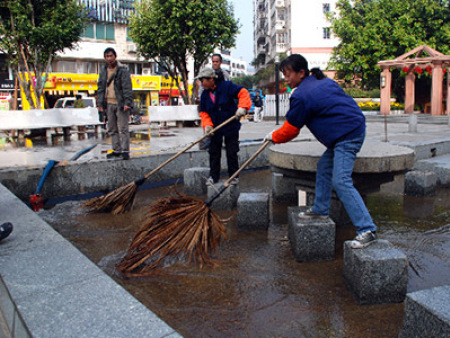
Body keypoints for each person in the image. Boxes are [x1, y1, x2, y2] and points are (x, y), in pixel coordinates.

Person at [264, 54, 377, 249]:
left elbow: (291, 129)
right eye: (284, 74)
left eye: (288, 74)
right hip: (350, 130)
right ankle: (321, 209)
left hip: (347, 136)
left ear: (301, 72)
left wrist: (274, 137)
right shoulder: (321, 81)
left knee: (341, 181)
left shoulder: (301, 95)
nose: (286, 79)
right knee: (324, 166)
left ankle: (367, 229)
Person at [196, 68, 251, 185]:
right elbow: (204, 113)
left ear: (211, 79)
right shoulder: (205, 95)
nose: (201, 83)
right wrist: (207, 126)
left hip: (230, 125)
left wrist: (243, 107)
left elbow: (243, 93)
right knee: (214, 153)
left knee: (232, 152)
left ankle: (234, 177)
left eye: (203, 80)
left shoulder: (226, 86)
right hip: (215, 128)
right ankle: (213, 177)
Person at [97, 47, 133, 160]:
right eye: (107, 56)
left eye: (111, 55)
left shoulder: (122, 70)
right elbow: (100, 88)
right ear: (105, 58)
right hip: (108, 103)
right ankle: (116, 150)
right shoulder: (103, 71)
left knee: (123, 128)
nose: (109, 58)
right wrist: (100, 103)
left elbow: (127, 87)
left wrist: (127, 102)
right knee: (112, 128)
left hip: (121, 103)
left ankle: (125, 150)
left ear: (115, 56)